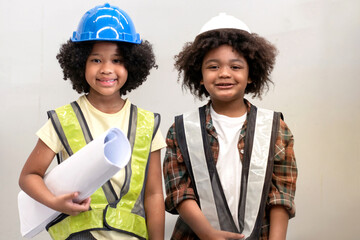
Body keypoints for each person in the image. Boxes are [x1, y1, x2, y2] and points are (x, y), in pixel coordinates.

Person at [19, 3, 165, 240]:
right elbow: (28, 176)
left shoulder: (147, 123)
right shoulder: (63, 119)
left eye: (117, 60)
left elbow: (154, 194)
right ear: (80, 64)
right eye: (96, 60)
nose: (107, 69)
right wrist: (55, 203)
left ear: (131, 64)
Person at [163, 13, 297, 240]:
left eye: (235, 67)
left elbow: (281, 195)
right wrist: (207, 233)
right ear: (200, 76)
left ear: (251, 74)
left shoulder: (275, 128)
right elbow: (179, 191)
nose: (224, 73)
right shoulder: (182, 129)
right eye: (213, 66)